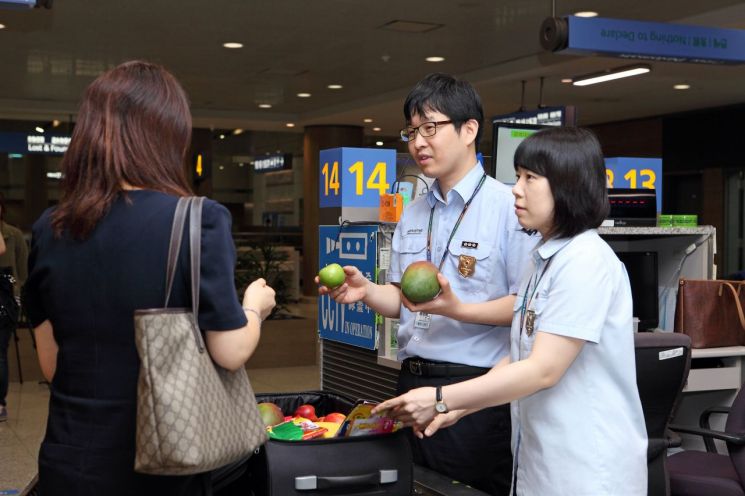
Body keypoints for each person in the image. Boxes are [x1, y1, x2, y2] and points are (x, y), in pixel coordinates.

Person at [24, 61, 276, 496]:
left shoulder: (50, 228)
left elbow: (52, 364)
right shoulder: (198, 220)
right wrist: (255, 306)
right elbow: (230, 351)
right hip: (162, 471)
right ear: (167, 135)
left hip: (69, 463)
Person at [373, 127, 648, 495]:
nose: (516, 189)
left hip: (586, 467)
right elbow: (522, 352)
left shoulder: (586, 261)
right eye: (518, 176)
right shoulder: (543, 261)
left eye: (530, 178)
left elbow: (543, 369)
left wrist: (442, 398)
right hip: (540, 460)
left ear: (567, 185)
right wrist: (459, 408)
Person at [318, 73, 536, 495]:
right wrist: (366, 291)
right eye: (411, 131)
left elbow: (525, 309)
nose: (418, 141)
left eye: (430, 127)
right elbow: (402, 299)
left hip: (475, 390)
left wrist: (455, 308)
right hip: (411, 382)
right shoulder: (414, 212)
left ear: (469, 129)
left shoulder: (509, 208)